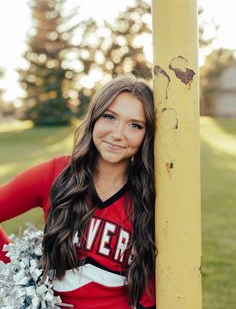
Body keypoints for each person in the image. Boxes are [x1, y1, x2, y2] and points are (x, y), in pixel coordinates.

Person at [0, 75, 156, 309]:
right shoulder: (55, 174)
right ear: (94, 118)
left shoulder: (150, 194)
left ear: (147, 134)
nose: (117, 133)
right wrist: (14, 269)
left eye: (135, 125)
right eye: (109, 117)